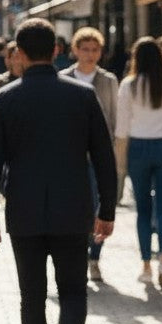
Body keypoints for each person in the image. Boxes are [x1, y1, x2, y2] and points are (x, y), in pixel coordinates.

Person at [0, 18, 116, 324]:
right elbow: (104, 158)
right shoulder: (82, 96)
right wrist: (106, 209)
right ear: (57, 52)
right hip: (74, 210)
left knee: (32, 298)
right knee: (74, 292)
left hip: (23, 212)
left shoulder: (5, 100)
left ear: (19, 54)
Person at [115, 35, 162, 291]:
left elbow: (122, 129)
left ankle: (146, 264)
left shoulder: (129, 85)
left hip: (139, 147)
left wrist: (120, 161)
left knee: (143, 209)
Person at [60, 27, 119, 282]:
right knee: (72, 207)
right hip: (70, 155)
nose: (90, 54)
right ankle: (77, 254)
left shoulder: (107, 80)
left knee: (97, 206)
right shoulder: (63, 78)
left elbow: (114, 118)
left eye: (95, 49)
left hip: (97, 155)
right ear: (75, 50)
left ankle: (94, 257)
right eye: (85, 49)